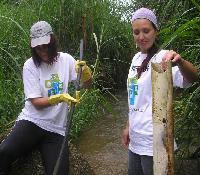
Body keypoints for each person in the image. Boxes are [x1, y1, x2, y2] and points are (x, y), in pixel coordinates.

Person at [0, 21, 92, 175]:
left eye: (46, 46)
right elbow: (36, 103)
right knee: (4, 152)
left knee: (60, 172)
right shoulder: (30, 66)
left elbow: (87, 85)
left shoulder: (66, 60)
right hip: (32, 121)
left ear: (52, 41)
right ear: (32, 46)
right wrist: (60, 98)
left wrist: (85, 74)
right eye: (38, 47)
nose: (42, 51)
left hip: (56, 129)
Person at [122, 8, 198, 175]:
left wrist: (181, 62)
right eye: (136, 32)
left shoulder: (164, 58)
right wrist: (128, 126)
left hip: (156, 142)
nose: (141, 36)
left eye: (146, 30)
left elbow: (193, 78)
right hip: (135, 140)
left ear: (155, 30)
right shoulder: (135, 59)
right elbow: (134, 97)